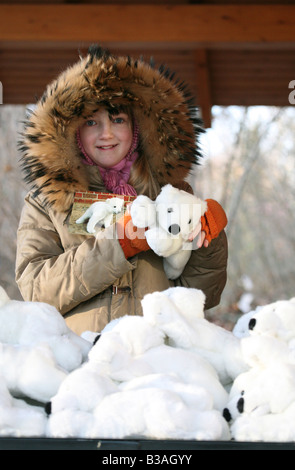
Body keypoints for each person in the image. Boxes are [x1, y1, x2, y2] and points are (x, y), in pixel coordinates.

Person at [16, 45, 228, 335]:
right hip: (80, 358)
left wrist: (210, 241)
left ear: (137, 127)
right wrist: (118, 245)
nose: (106, 134)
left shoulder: (171, 194)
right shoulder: (46, 201)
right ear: (74, 131)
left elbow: (199, 298)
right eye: (92, 122)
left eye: (118, 120)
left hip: (156, 357)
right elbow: (36, 289)